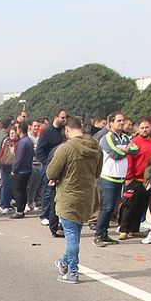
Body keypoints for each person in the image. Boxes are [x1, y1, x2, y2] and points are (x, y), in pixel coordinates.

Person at [46, 116, 101, 284]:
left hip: (68, 196)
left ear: (67, 130)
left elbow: (51, 172)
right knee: (75, 233)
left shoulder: (66, 148)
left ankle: (73, 272)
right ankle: (64, 262)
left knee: (71, 235)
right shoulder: (97, 148)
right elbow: (97, 173)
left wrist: (59, 177)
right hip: (86, 197)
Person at [93, 113, 138, 245]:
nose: (121, 123)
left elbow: (135, 150)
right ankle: (98, 235)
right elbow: (115, 154)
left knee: (112, 207)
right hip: (108, 177)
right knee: (106, 207)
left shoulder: (124, 137)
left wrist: (125, 149)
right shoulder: (107, 137)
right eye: (118, 120)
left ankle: (104, 233)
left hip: (120, 178)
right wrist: (126, 150)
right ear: (111, 123)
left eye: (122, 120)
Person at [117, 118, 151, 238]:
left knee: (142, 205)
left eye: (147, 127)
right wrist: (129, 177)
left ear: (150, 127)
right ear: (138, 129)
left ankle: (134, 229)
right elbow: (129, 160)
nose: (145, 130)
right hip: (134, 178)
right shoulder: (134, 142)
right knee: (129, 205)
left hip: (147, 180)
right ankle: (124, 229)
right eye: (142, 128)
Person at [9, 123, 35, 218]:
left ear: (19, 130)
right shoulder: (29, 141)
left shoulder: (22, 142)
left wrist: (13, 170)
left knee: (18, 191)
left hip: (20, 171)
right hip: (28, 169)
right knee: (23, 190)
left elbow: (18, 158)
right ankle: (22, 210)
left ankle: (19, 211)